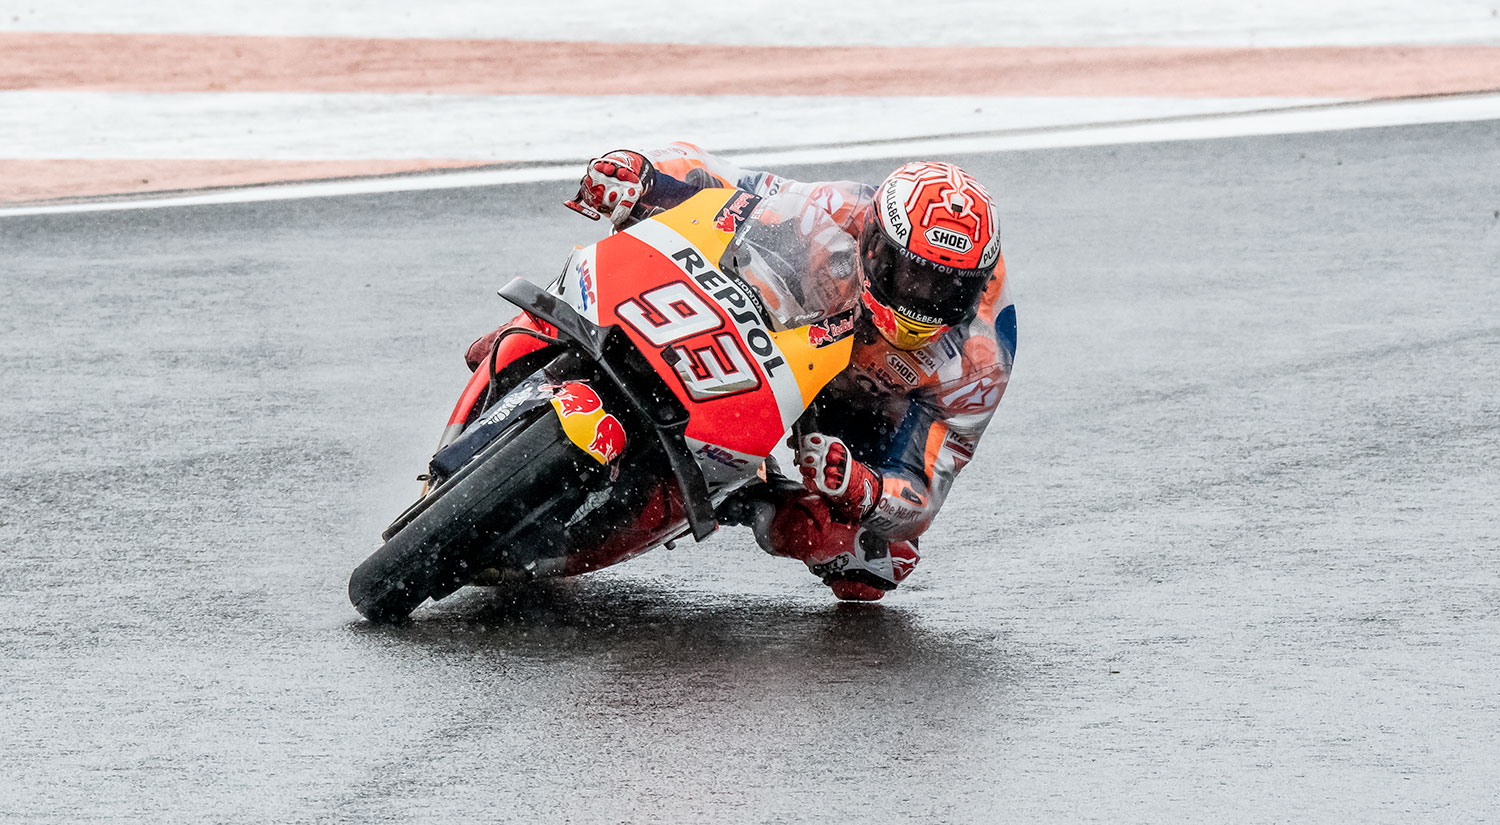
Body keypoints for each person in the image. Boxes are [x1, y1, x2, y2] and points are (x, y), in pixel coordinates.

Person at [467, 143, 1016, 601]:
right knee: (630, 263)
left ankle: (747, 498)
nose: (920, 300)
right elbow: (717, 182)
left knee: (874, 565)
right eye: (909, 274)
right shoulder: (840, 210)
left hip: (857, 409)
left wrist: (863, 487)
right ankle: (534, 335)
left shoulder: (979, 360)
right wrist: (643, 179)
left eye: (945, 289)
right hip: (796, 327)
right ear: (874, 243)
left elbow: (924, 492)